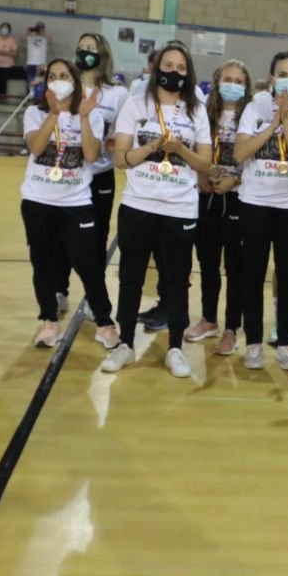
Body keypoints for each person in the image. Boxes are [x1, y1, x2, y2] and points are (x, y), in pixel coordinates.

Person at [101, 41, 212, 379]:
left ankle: (176, 347)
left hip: (180, 208)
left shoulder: (198, 111)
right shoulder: (136, 105)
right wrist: (150, 146)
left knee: (176, 281)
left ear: (188, 73)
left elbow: (205, 164)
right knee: (131, 278)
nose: (173, 73)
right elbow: (121, 159)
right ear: (156, 68)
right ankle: (125, 345)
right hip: (138, 205)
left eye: (181, 68)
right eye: (168, 65)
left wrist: (180, 149)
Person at [20, 57, 120, 349]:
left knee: (88, 263)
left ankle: (105, 322)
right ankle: (49, 321)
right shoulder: (34, 113)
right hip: (38, 199)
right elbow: (37, 148)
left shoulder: (91, 115)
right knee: (42, 263)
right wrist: (53, 115)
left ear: (75, 81)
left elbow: (91, 156)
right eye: (52, 75)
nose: (57, 80)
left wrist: (85, 118)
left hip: (76, 201)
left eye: (64, 75)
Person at [233, 51, 288, 370]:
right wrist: (273, 122)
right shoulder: (254, 107)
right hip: (254, 203)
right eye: (281, 73)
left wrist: (287, 120)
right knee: (252, 276)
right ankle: (254, 342)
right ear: (271, 79)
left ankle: (285, 341)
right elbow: (241, 152)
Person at [186, 61, 250, 353]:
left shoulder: (252, 116)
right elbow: (195, 149)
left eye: (238, 80)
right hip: (207, 194)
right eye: (228, 78)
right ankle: (209, 319)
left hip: (238, 196)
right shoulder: (203, 112)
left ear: (246, 86)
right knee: (207, 262)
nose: (233, 84)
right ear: (217, 81)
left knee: (236, 266)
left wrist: (235, 180)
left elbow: (260, 159)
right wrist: (200, 173)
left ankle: (231, 329)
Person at [74, 32, 126, 262]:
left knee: (97, 233)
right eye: (81, 46)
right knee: (66, 232)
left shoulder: (118, 93)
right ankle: (60, 286)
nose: (84, 51)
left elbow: (121, 131)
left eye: (91, 48)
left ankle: (93, 289)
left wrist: (116, 143)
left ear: (102, 54)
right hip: (70, 171)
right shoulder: (68, 87)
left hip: (101, 173)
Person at [0, 21, 20, 98]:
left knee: (3, 81)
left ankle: (2, 97)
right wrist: (6, 53)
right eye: (3, 27)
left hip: (7, 65)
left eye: (6, 28)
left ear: (9, 30)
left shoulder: (11, 39)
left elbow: (15, 53)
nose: (4, 29)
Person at [24, 21, 49, 86]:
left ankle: (39, 95)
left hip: (42, 64)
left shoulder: (45, 38)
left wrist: (44, 33)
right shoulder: (30, 37)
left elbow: (51, 42)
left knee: (41, 83)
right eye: (37, 27)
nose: (39, 29)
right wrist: (27, 33)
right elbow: (21, 40)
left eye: (41, 27)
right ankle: (30, 95)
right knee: (30, 83)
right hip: (30, 63)